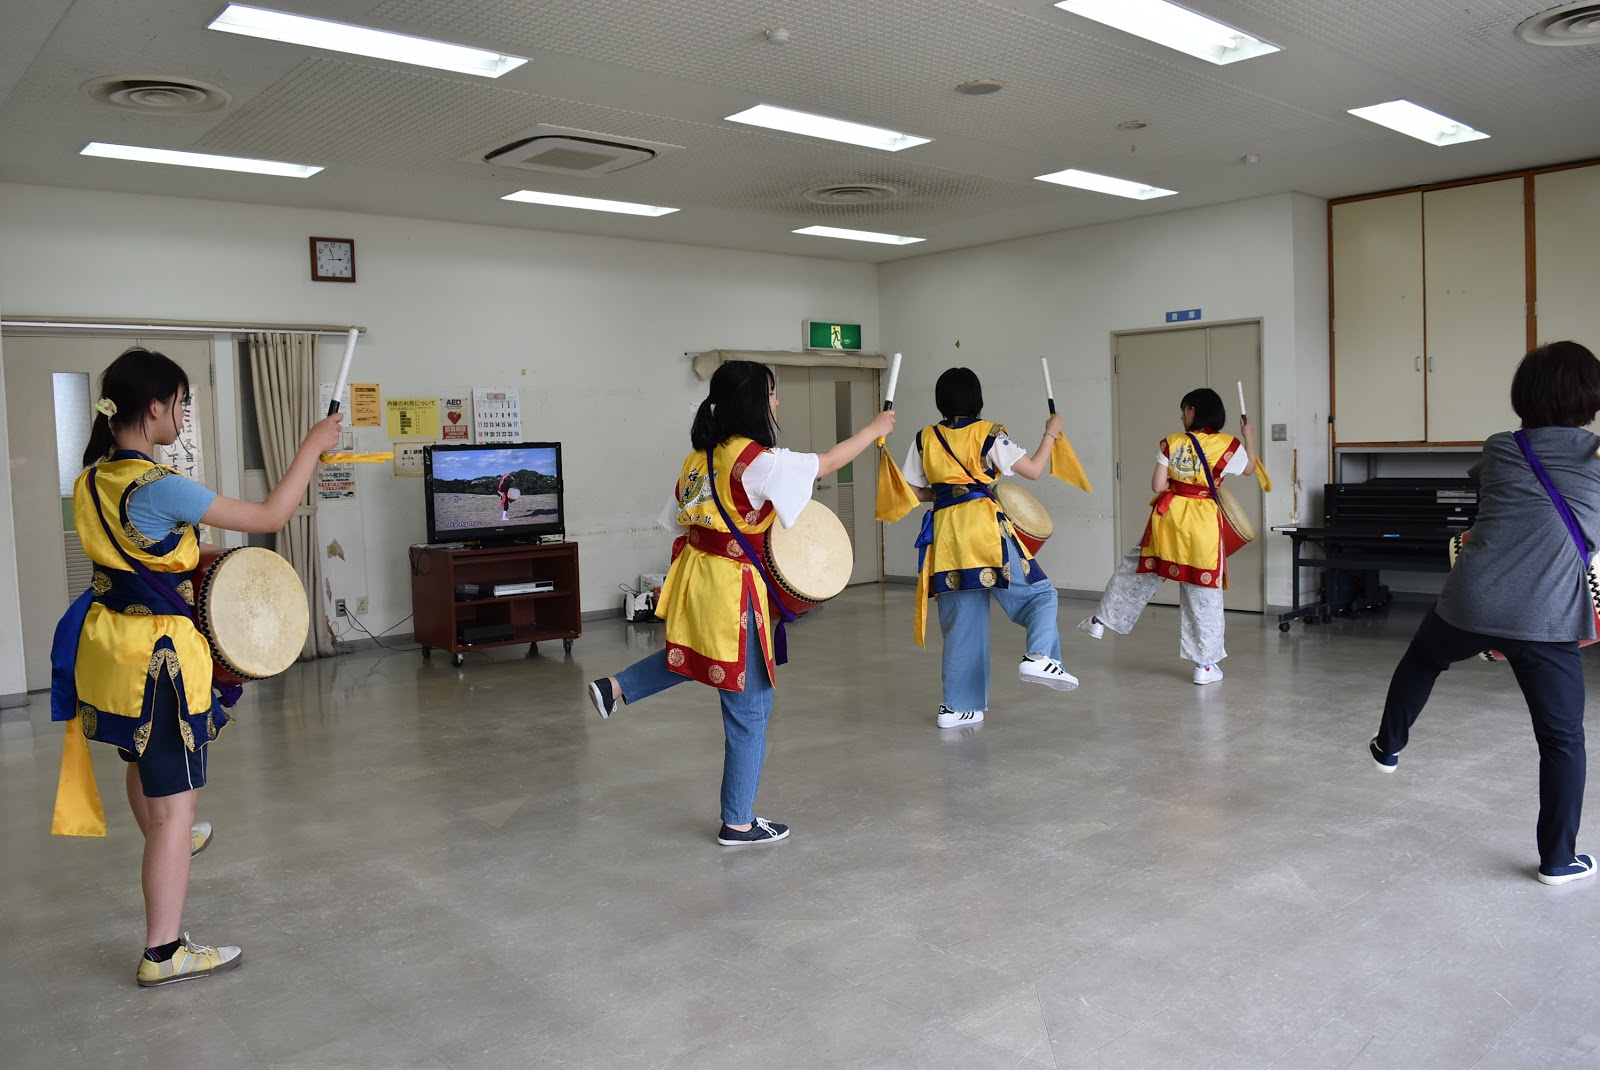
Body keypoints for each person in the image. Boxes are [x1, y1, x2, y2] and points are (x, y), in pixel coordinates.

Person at [53, 347, 342, 985]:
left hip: (112, 650)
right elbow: (271, 516)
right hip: (158, 656)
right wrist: (314, 445)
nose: (183, 416)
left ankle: (169, 836)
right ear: (154, 408)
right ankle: (164, 950)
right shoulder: (161, 487)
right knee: (175, 809)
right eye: (181, 404)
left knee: (142, 764)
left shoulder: (96, 478)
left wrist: (194, 548)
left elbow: (141, 553)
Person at [586, 360, 893, 845]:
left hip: (697, 580)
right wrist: (874, 429)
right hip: (735, 593)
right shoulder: (757, 461)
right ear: (753, 401)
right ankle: (739, 821)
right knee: (750, 709)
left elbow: (676, 520)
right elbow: (829, 463)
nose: (776, 403)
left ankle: (617, 688)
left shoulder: (696, 458)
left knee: (694, 657)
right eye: (771, 394)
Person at [1370, 341, 1599, 886]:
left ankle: (1388, 745)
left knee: (1424, 658)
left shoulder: (1500, 447)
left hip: (1475, 597)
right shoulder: (1594, 455)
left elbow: (1497, 499)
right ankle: (1558, 860)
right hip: (1545, 615)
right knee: (1562, 739)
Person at [904, 367, 1077, 731]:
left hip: (946, 535)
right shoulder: (989, 433)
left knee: (962, 624)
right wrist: (1051, 433)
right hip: (983, 531)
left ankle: (956, 707)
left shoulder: (925, 438)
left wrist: (947, 489)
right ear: (976, 398)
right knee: (1039, 595)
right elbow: (1032, 469)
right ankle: (1040, 655)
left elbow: (917, 492)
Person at [1077, 387, 1256, 684]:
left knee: (1135, 571)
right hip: (1202, 526)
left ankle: (1100, 620)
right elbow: (1249, 468)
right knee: (1203, 595)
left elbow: (1158, 486)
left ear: (1195, 411)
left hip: (1168, 520)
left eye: (1185, 409)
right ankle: (1205, 665)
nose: (1182, 415)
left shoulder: (1172, 442)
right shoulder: (1229, 445)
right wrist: (1248, 435)